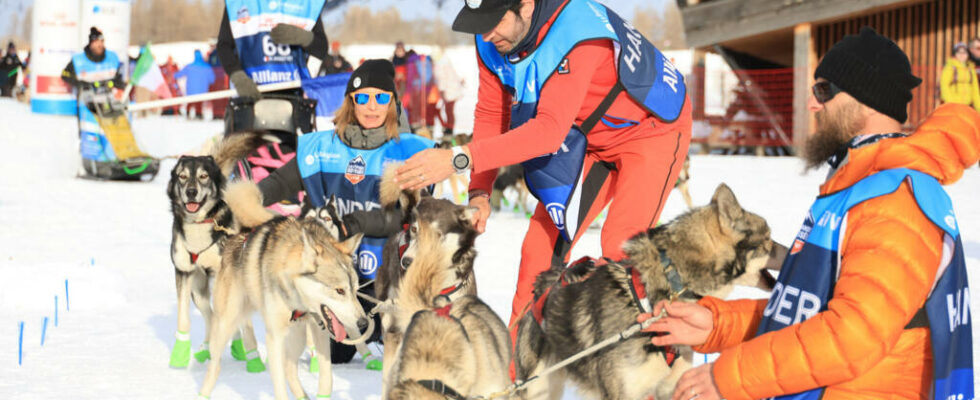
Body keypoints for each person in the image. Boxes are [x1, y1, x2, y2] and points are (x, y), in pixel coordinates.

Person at [641, 27, 977, 400]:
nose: (813, 104)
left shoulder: (896, 199)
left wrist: (731, 376)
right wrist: (719, 325)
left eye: (824, 90)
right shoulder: (858, 187)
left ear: (866, 100)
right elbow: (809, 310)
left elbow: (851, 337)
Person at [395, 0, 693, 329]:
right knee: (539, 249)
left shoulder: (578, 34)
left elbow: (547, 133)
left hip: (650, 130)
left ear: (525, 6)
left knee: (621, 245)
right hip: (585, 135)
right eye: (480, 23)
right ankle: (516, 370)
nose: (487, 33)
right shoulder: (492, 38)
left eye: (494, 21)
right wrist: (480, 191)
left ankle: (655, 327)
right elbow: (493, 114)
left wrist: (455, 159)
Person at [252, 59, 434, 369]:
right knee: (337, 352)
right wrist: (249, 200)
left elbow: (412, 219)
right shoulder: (322, 147)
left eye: (381, 97)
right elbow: (280, 182)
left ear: (393, 102)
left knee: (394, 339)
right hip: (340, 278)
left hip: (389, 278)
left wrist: (356, 222)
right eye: (363, 97)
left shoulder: (411, 152)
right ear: (351, 102)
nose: (372, 106)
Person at [215, 0, 328, 102]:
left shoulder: (306, 4)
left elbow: (321, 47)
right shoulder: (238, 3)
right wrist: (238, 76)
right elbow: (224, 46)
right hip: (251, 95)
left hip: (293, 97)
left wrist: (305, 38)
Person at [62, 27, 125, 92]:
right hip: (86, 98)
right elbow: (65, 74)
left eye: (101, 41)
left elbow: (119, 79)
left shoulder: (112, 57)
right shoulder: (78, 60)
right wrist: (80, 84)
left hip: (109, 98)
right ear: (91, 43)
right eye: (96, 42)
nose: (99, 45)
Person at [174, 49, 216, 119]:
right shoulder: (207, 67)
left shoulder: (189, 66)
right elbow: (212, 80)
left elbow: (178, 75)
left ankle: (188, 114)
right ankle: (198, 115)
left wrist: (172, 74)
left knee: (190, 102)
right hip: (202, 91)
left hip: (191, 90)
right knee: (199, 103)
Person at [940, 42, 980, 111]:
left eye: (964, 52)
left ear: (968, 55)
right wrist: (951, 103)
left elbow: (975, 90)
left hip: (967, 107)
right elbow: (944, 86)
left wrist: (979, 108)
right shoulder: (950, 67)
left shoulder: (970, 69)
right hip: (953, 106)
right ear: (955, 54)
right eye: (959, 52)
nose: (962, 55)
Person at [433, 53, 464, 136]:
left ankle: (449, 128)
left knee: (448, 110)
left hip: (449, 91)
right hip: (452, 89)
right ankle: (448, 127)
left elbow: (442, 78)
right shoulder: (446, 62)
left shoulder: (440, 65)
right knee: (449, 110)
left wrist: (442, 91)